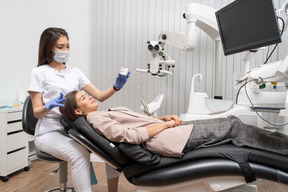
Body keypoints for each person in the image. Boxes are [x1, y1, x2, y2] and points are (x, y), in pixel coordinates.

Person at [28, 27, 129, 192]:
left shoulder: (75, 72)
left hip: (75, 127)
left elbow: (99, 96)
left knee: (109, 145)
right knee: (79, 153)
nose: (65, 50)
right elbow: (36, 112)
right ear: (49, 48)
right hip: (49, 132)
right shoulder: (39, 73)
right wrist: (48, 106)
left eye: (67, 46)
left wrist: (116, 87)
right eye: (60, 47)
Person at [60, 90, 288, 158]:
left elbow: (139, 122)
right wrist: (168, 126)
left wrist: (164, 118)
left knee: (231, 121)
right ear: (79, 111)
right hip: (168, 139)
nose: (90, 96)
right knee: (235, 128)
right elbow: (130, 136)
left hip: (169, 131)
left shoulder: (103, 112)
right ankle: (283, 148)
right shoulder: (94, 118)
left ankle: (282, 141)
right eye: (84, 98)